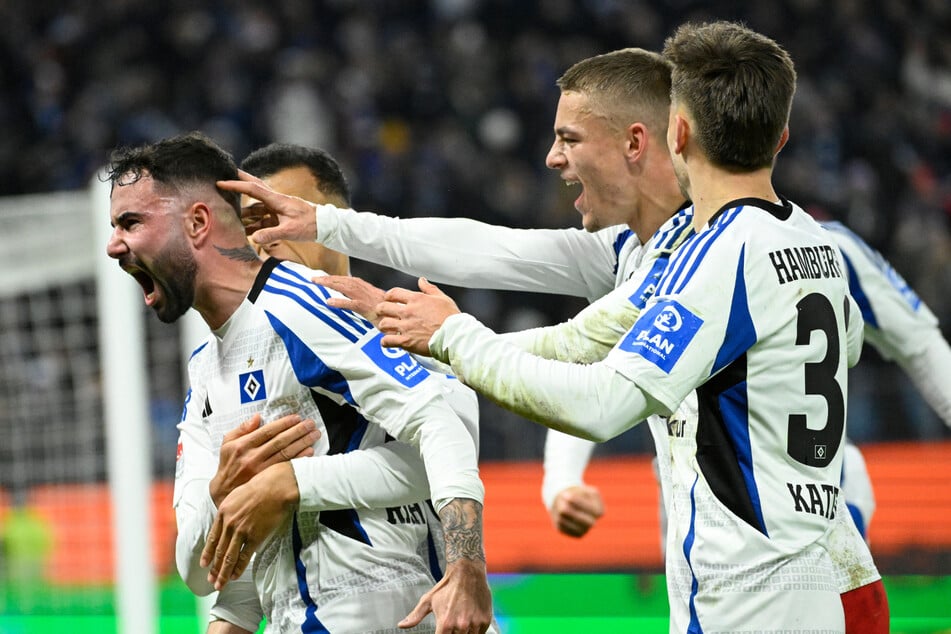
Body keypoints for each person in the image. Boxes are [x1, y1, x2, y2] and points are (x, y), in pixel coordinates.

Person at [218, 46, 887, 632]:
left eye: (569, 138)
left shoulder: (704, 258)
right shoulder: (770, 237)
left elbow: (598, 392)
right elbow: (513, 276)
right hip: (809, 568)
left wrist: (448, 338)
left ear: (648, 140)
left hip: (770, 581)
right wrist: (357, 255)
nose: (552, 157)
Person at [104, 132, 492, 634]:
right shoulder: (205, 370)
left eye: (131, 223)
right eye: (255, 221)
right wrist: (225, 496)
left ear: (199, 222)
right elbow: (208, 578)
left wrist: (467, 564)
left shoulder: (308, 306)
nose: (114, 245)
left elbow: (447, 424)